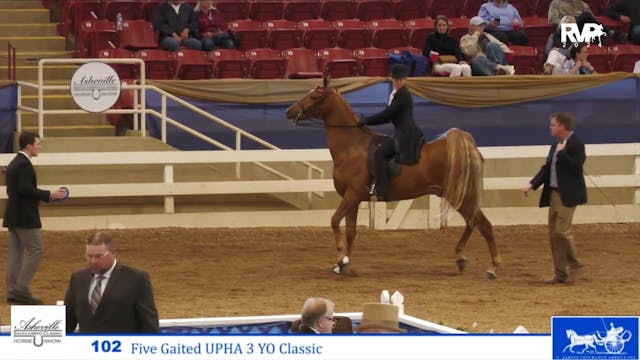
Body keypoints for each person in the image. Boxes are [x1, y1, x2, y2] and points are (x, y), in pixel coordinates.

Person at [524, 112, 586, 285]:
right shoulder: (555, 145)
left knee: (561, 232)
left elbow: (576, 168)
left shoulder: (576, 144)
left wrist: (563, 154)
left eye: (552, 125)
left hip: (568, 194)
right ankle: (560, 274)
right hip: (554, 194)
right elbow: (547, 169)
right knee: (554, 235)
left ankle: (575, 266)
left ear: (562, 126)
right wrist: (532, 183)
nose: (550, 127)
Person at [4, 132, 66, 305]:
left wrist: (37, 200)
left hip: (14, 214)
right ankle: (21, 289)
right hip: (24, 217)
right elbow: (25, 189)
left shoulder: (15, 163)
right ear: (29, 146)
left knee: (16, 254)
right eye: (38, 144)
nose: (40, 146)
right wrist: (49, 194)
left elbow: (16, 191)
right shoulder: (24, 165)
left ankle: (12, 290)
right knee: (36, 249)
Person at [64, 231, 160, 333]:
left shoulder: (136, 279)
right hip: (87, 347)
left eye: (98, 256)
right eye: (89, 256)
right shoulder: (77, 279)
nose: (93, 261)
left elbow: (149, 324)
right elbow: (67, 320)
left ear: (113, 253)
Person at [358, 64, 424, 201]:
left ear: (404, 80)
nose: (397, 82)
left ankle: (382, 190)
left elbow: (386, 115)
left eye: (400, 80)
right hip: (403, 131)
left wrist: (366, 121)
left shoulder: (402, 95)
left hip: (406, 134)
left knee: (380, 153)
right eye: (395, 79)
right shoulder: (397, 94)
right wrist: (366, 121)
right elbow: (388, 116)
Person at [548, 0, 626, 43]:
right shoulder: (556, 3)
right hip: (567, 30)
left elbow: (592, 19)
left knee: (588, 18)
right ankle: (610, 33)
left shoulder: (581, 4)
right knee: (585, 15)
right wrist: (568, 21)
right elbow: (552, 20)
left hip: (582, 29)